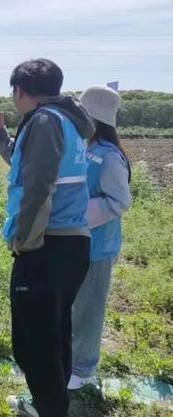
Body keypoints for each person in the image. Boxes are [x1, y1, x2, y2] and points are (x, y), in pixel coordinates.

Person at [0, 59, 95, 417]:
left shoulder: (45, 121)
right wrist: (1, 139)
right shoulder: (68, 120)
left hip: (47, 245)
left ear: (20, 90)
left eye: (13, 92)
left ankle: (51, 409)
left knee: (34, 345)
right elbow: (31, 165)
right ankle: (52, 404)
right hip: (71, 244)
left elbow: (38, 185)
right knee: (55, 334)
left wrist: (23, 242)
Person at [68, 85, 131, 390]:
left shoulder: (108, 156)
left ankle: (83, 370)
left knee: (90, 307)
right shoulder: (87, 149)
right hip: (80, 243)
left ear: (95, 119)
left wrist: (81, 211)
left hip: (97, 246)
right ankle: (75, 360)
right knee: (77, 306)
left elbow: (119, 201)